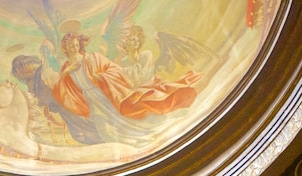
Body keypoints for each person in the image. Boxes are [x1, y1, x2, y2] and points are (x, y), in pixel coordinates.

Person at [52, 32, 198, 145]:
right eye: (71, 46)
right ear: (65, 48)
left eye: (76, 45)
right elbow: (60, 91)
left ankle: (158, 126)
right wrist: (65, 72)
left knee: (128, 120)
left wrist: (101, 78)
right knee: (104, 130)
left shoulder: (93, 58)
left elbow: (115, 69)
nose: (75, 48)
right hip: (90, 100)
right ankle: (131, 143)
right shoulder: (65, 68)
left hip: (104, 94)